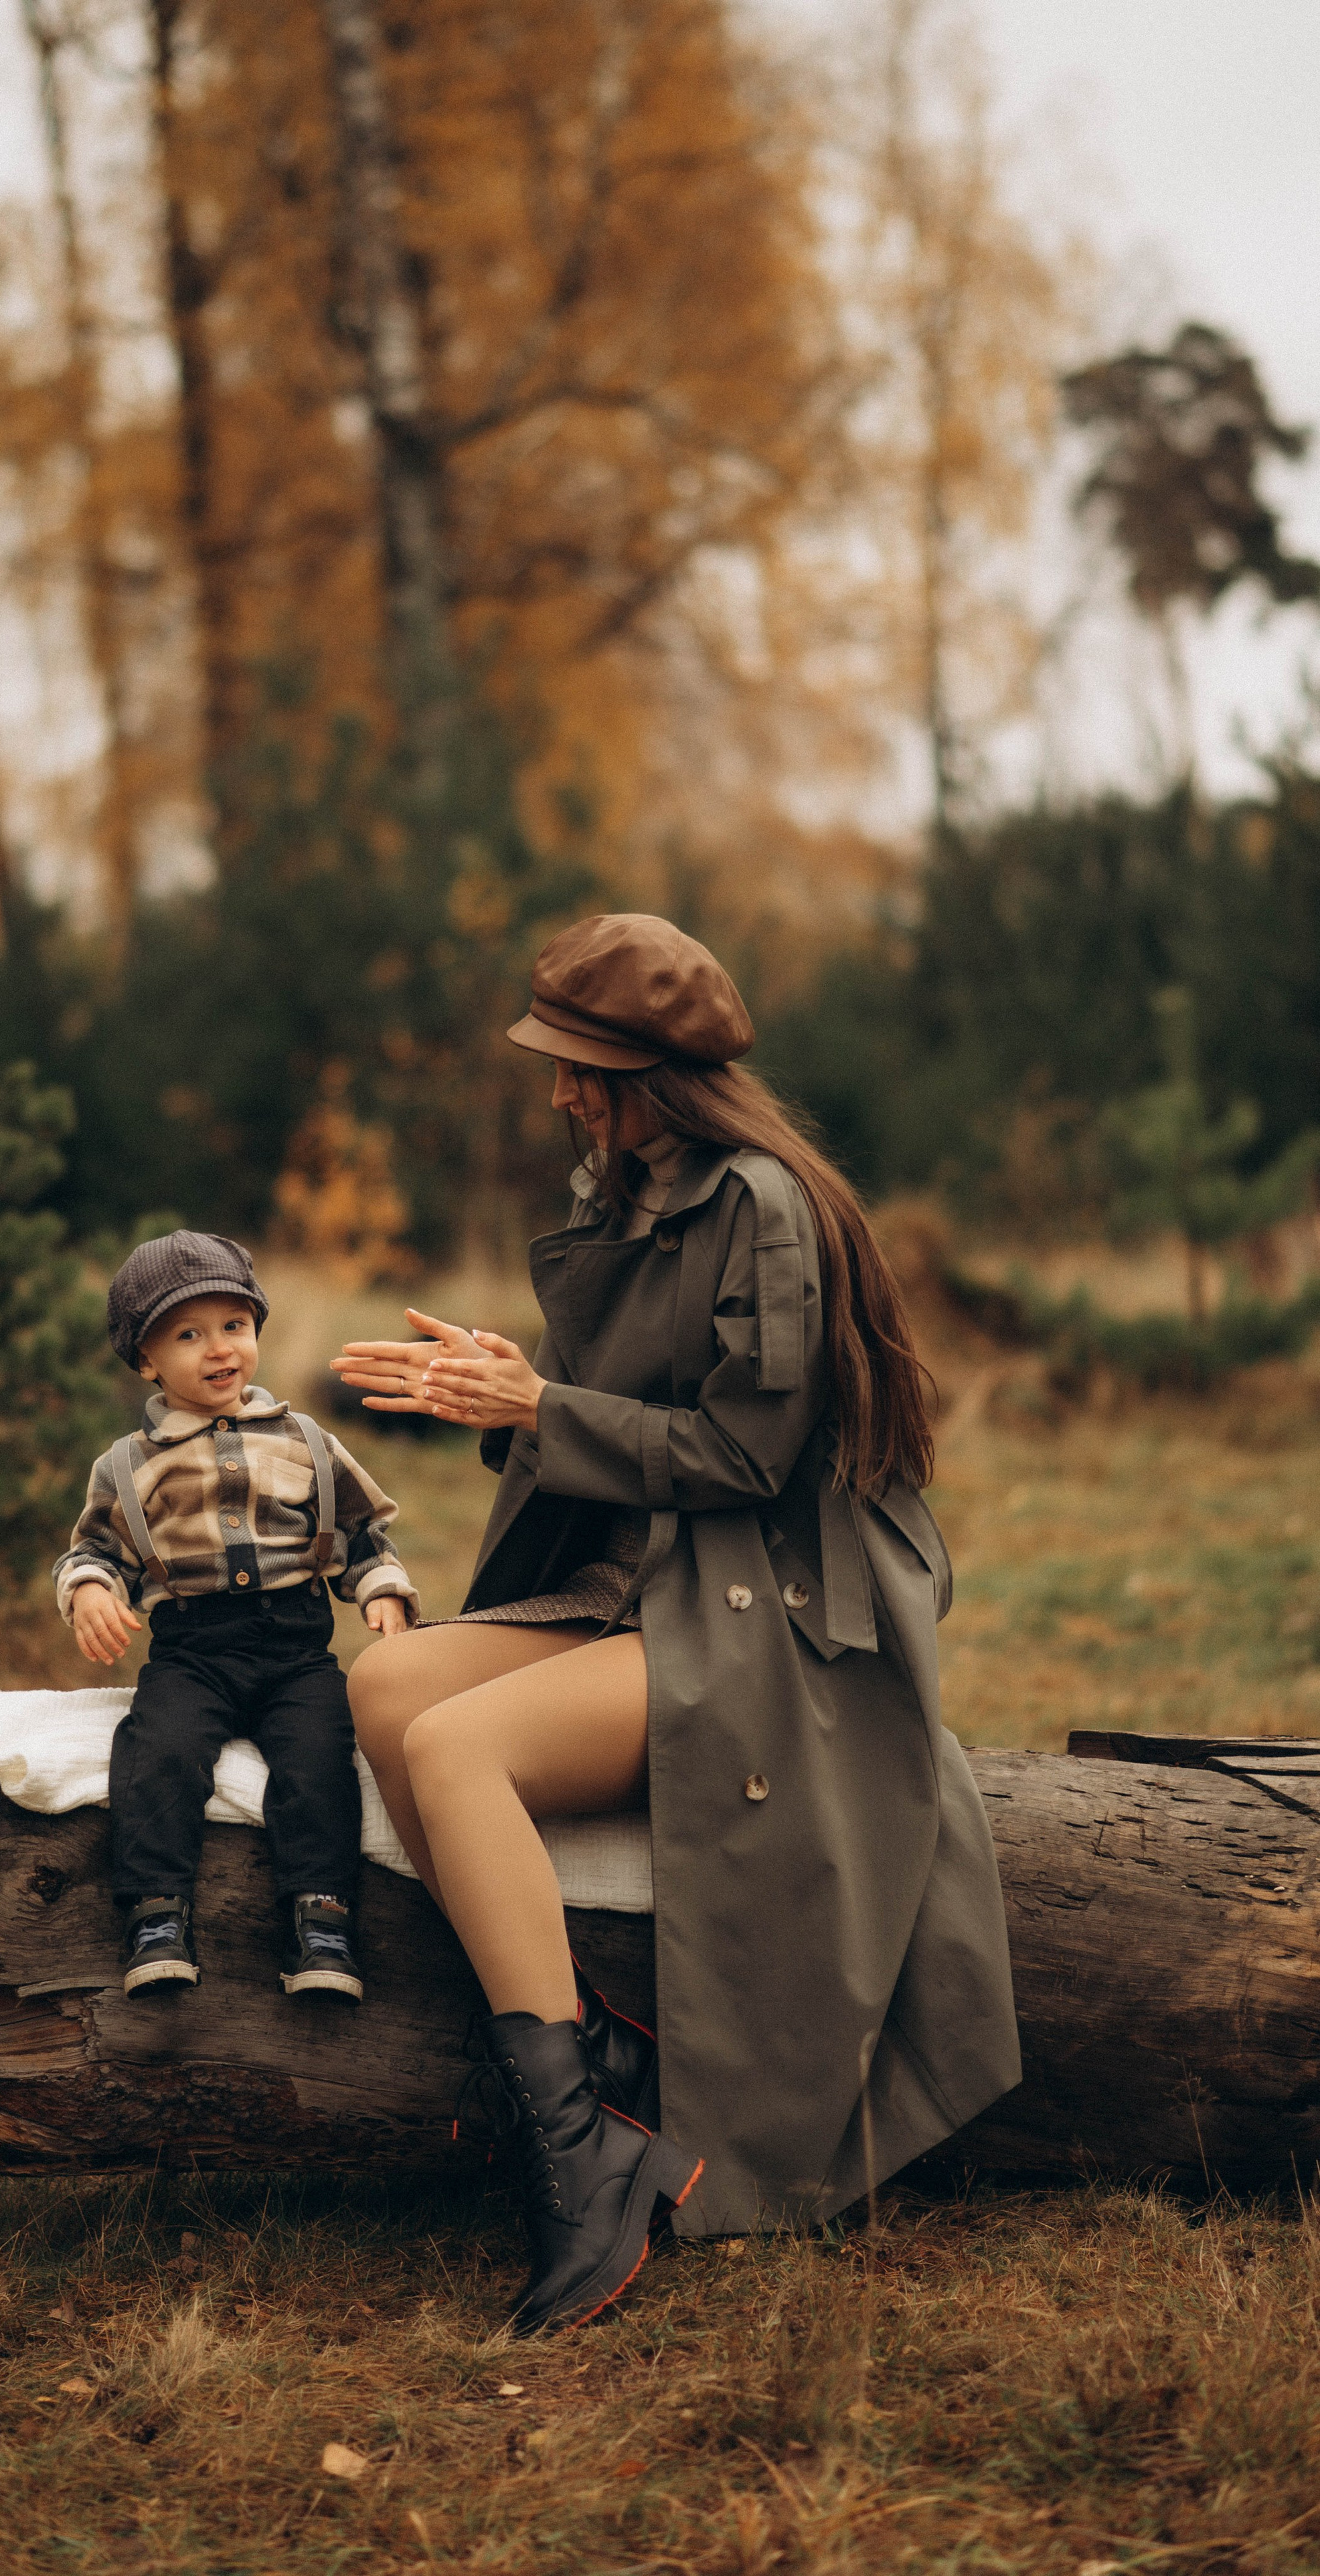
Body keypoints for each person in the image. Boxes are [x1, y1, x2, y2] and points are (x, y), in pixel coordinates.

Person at [337, 913, 1019, 2337]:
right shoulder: (632, 1188)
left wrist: (542, 1410)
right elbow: (616, 1428)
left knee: (458, 1753)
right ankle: (596, 2056)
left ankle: (578, 2155)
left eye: (580, 1066)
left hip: (767, 1613)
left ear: (653, 1072)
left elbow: (742, 1460)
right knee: (390, 1686)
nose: (558, 1091)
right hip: (647, 1582)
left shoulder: (760, 1203)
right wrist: (515, 1392)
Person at [55, 1230, 417, 2004]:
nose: (219, 1349)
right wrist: (91, 1590)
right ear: (146, 1360)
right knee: (158, 1748)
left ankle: (320, 1918)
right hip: (193, 1652)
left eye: (234, 1326)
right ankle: (157, 1913)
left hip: (298, 1651)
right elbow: (93, 1551)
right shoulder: (131, 1464)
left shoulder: (307, 1440)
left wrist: (381, 1587)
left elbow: (361, 1533)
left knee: (320, 1755)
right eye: (188, 1335)